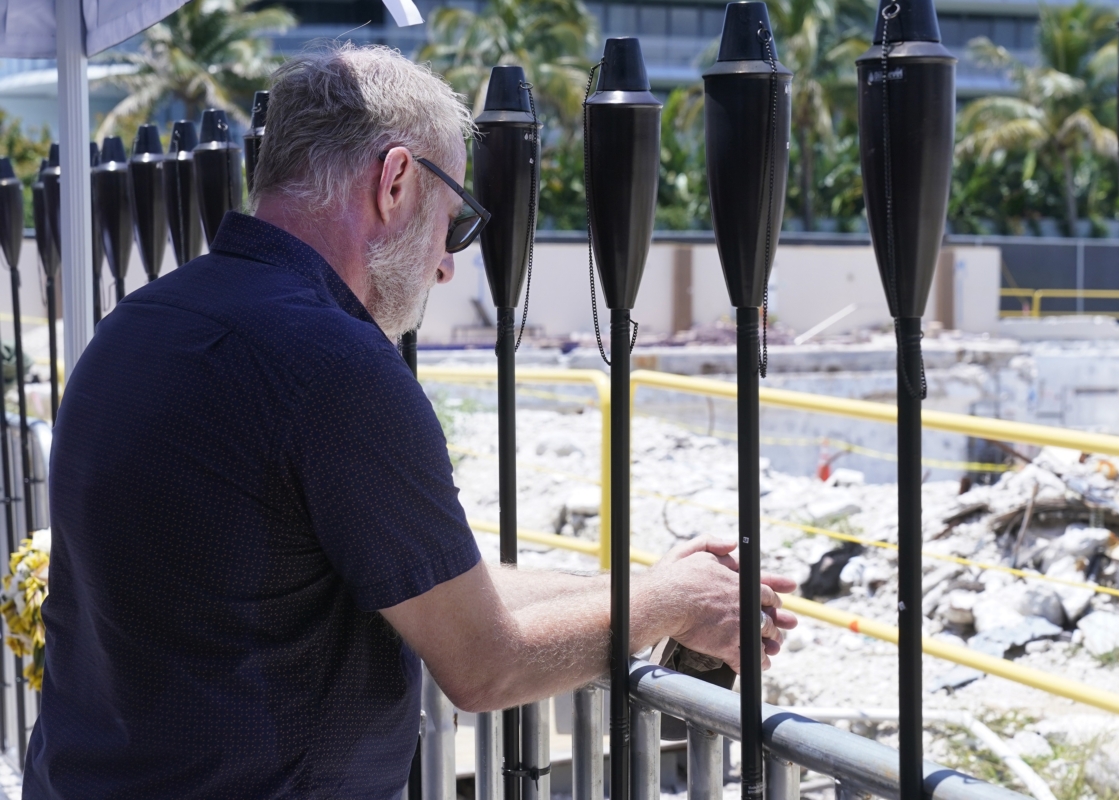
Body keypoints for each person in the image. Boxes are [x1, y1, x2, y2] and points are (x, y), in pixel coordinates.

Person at [26, 44, 796, 799]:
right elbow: (483, 661)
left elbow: (428, 584)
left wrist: (643, 585)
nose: (448, 264)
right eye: (457, 222)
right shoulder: (333, 365)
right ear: (395, 181)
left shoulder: (139, 322)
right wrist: (678, 604)